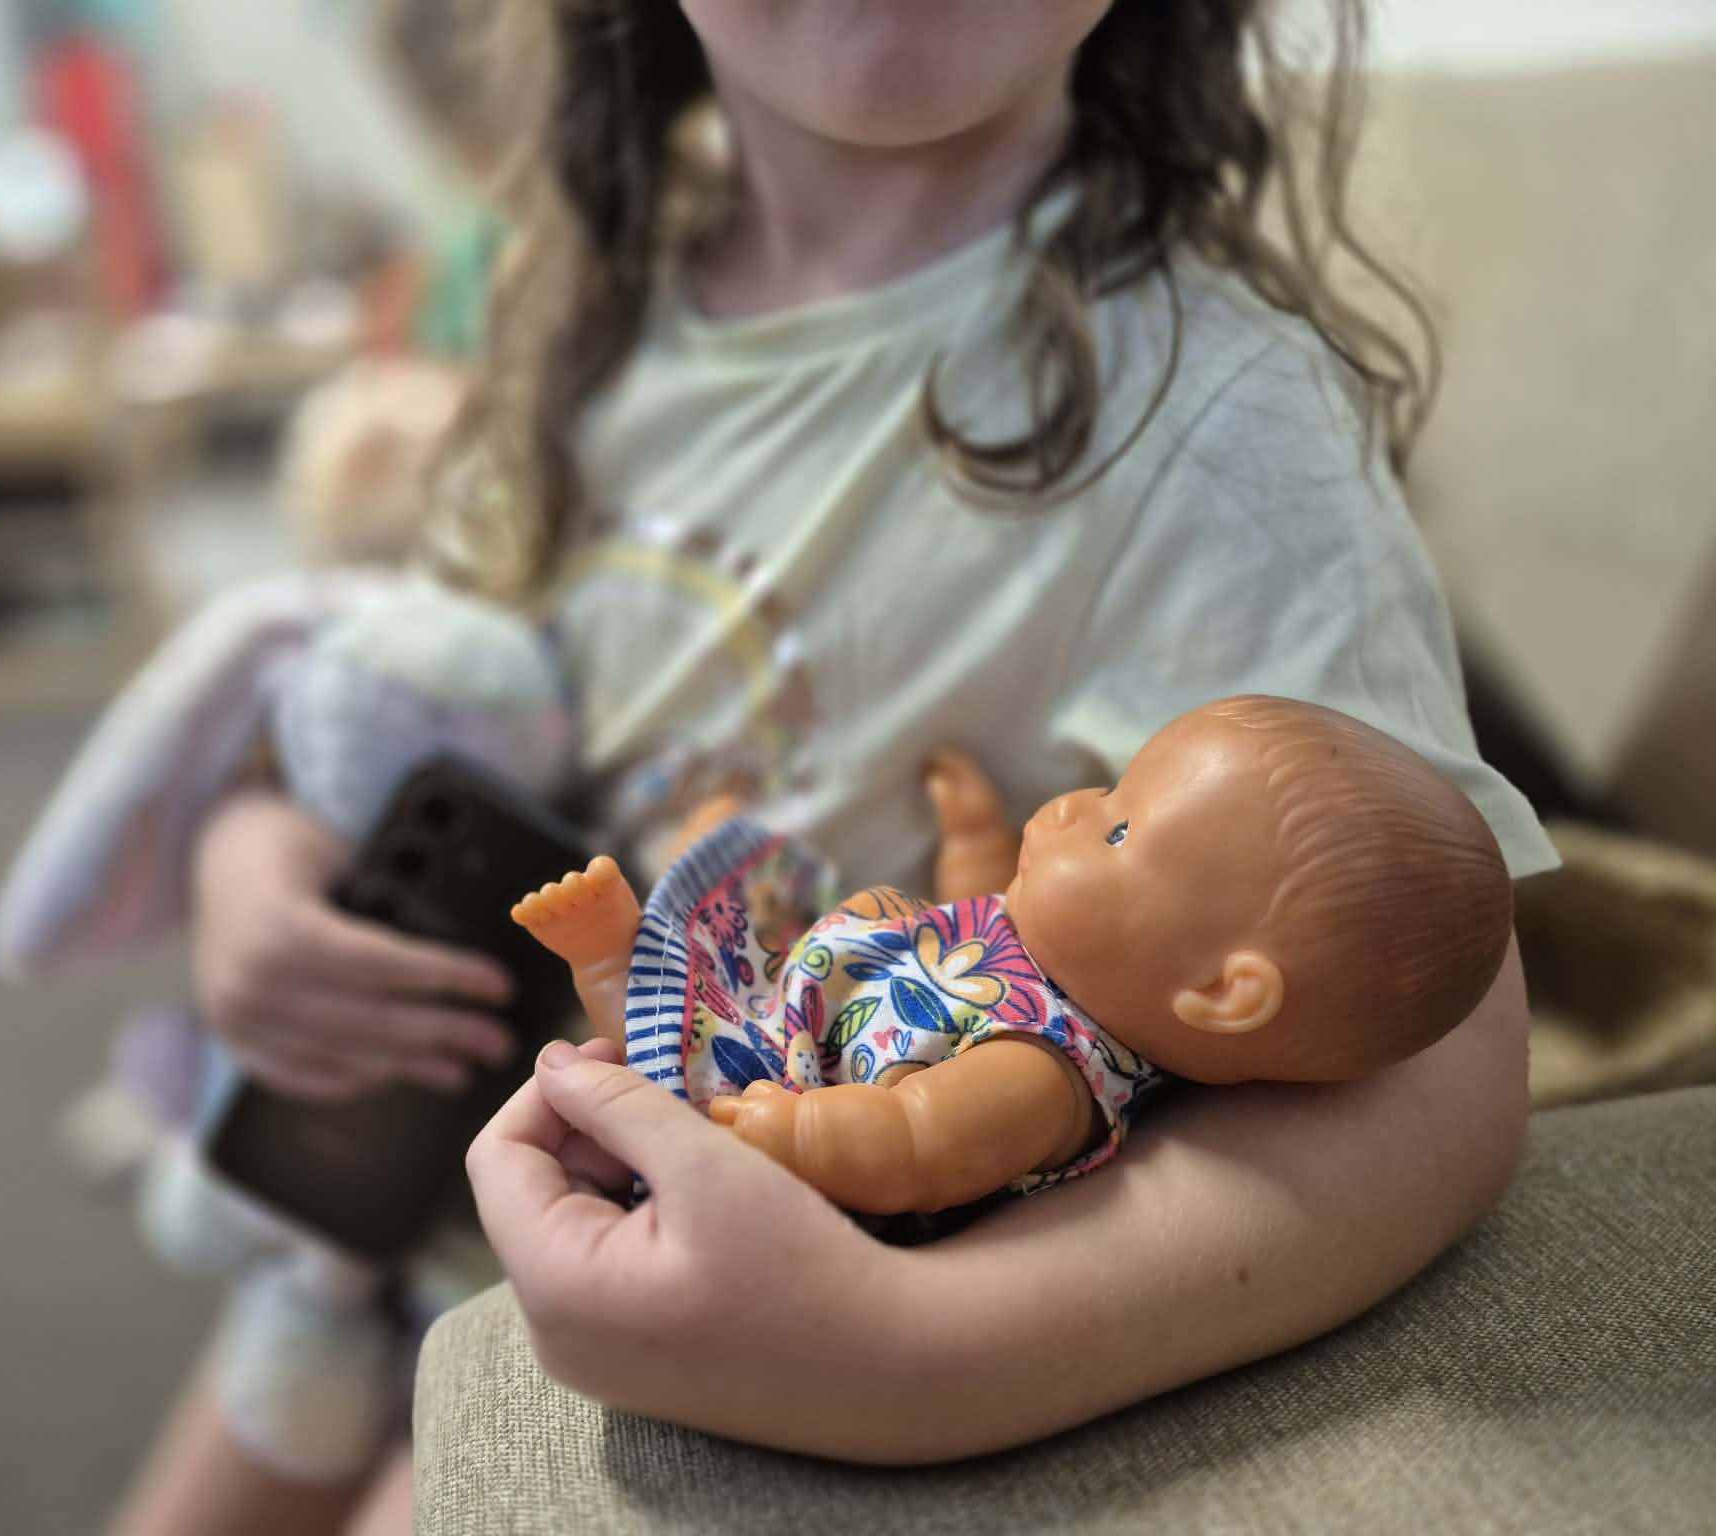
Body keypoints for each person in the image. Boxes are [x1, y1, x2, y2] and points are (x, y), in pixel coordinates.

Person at [115, 0, 1557, 1527]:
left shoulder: (1219, 411)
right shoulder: (586, 313)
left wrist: (926, 1354)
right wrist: (253, 862)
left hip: (691, 1270)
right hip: (391, 1206)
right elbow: (396, 684)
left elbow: (1446, 1052)